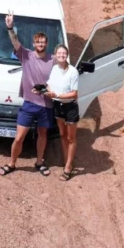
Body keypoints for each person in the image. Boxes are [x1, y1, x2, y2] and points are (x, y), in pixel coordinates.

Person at [0, 11, 55, 177]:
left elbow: (62, 77)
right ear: (34, 43)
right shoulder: (26, 55)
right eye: (38, 42)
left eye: (43, 42)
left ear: (47, 43)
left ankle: (39, 162)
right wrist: (10, 27)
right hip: (29, 104)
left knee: (42, 134)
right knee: (19, 137)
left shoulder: (53, 60)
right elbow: (15, 42)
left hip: (46, 105)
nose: (41, 44)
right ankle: (12, 163)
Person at [44, 44, 80, 181]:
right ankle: (67, 161)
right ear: (55, 55)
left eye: (64, 53)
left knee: (71, 138)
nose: (61, 56)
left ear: (67, 55)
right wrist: (44, 90)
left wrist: (57, 95)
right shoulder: (54, 69)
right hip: (58, 106)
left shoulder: (73, 71)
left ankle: (68, 167)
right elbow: (49, 84)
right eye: (59, 53)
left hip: (70, 107)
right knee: (62, 134)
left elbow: (74, 94)